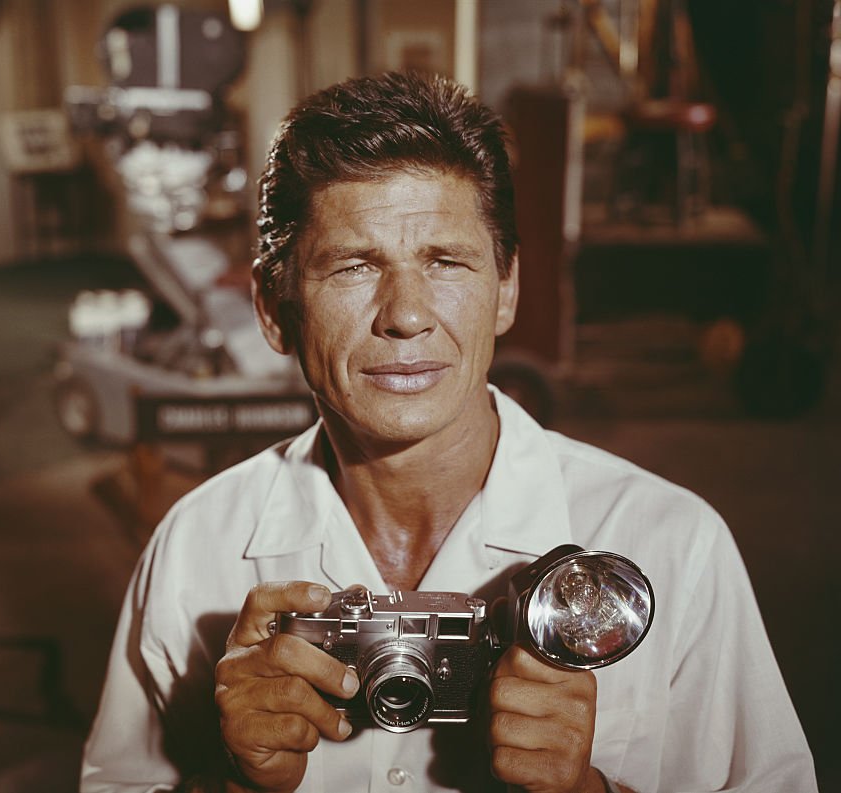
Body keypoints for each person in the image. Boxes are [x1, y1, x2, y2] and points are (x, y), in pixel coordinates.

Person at [80, 71, 817, 793]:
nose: (406, 313)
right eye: (353, 266)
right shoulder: (195, 548)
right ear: (275, 310)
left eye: (445, 261)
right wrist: (240, 783)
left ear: (507, 290)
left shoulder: (674, 546)